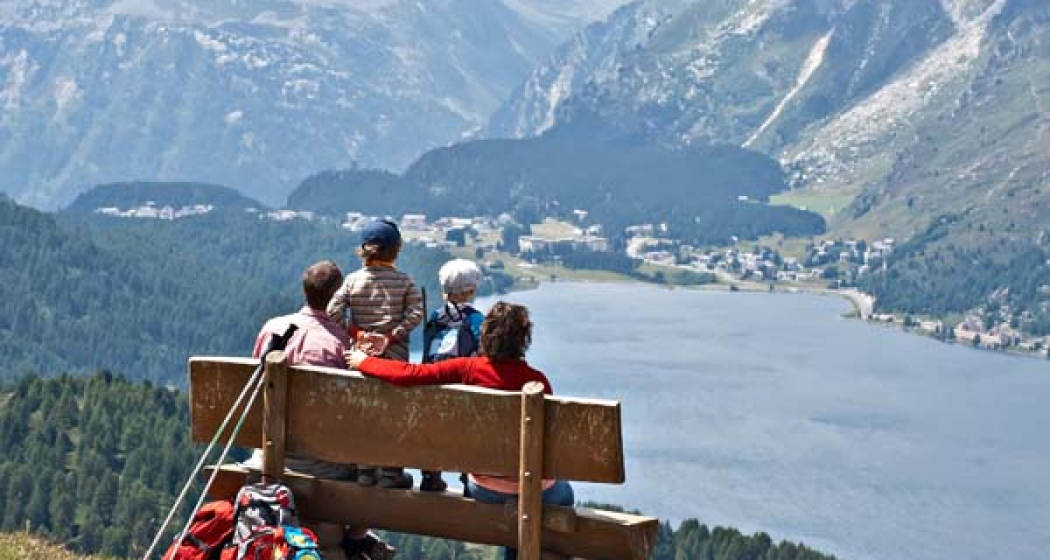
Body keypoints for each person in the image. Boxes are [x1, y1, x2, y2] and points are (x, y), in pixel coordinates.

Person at [346, 301, 574, 560]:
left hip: (484, 490)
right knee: (560, 494)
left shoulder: (468, 369)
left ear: (486, 336)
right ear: (524, 341)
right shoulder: (537, 382)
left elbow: (408, 374)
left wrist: (364, 361)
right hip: (534, 490)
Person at [248, 260, 394, 560]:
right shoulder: (341, 345)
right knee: (375, 469)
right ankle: (356, 540)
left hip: (267, 456)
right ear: (339, 298)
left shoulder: (272, 328)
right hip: (324, 468)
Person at [327, 218, 423, 489]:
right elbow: (416, 313)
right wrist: (391, 337)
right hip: (394, 362)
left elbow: (333, 311)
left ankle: (365, 470)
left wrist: (357, 334)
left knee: (362, 413)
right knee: (393, 415)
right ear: (396, 250)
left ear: (363, 250)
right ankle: (392, 472)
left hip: (360, 360)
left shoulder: (353, 281)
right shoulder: (404, 281)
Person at [418, 258, 486, 492]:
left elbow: (427, 353)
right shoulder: (477, 320)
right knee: (468, 432)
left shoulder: (436, 317)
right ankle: (468, 479)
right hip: (464, 392)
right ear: (472, 290)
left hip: (434, 389)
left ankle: (431, 475)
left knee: (435, 431)